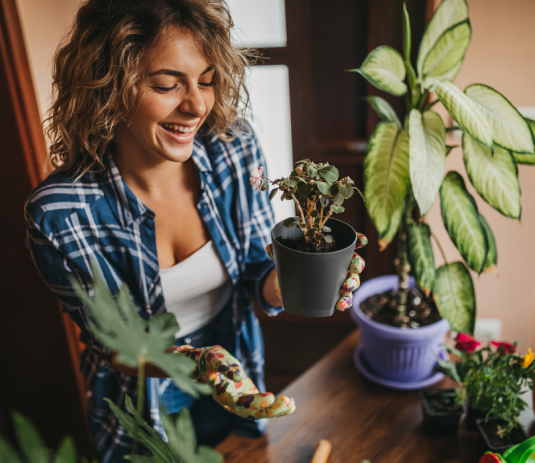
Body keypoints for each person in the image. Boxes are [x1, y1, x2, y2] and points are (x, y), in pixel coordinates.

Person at [24, 1, 365, 461]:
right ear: (108, 86)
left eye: (206, 80)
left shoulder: (234, 148)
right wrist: (198, 363)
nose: (197, 104)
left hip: (239, 367)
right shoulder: (61, 214)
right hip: (145, 396)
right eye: (167, 85)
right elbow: (113, 346)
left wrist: (294, 280)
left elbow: (254, 271)